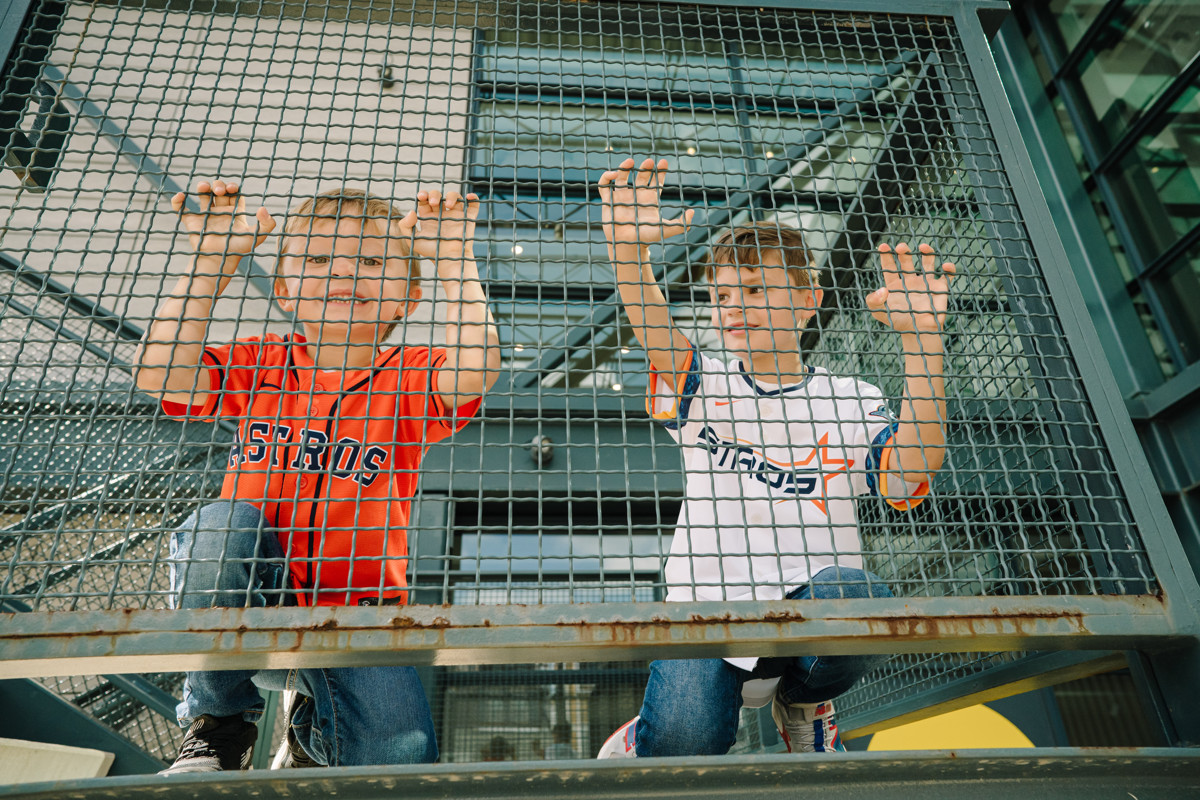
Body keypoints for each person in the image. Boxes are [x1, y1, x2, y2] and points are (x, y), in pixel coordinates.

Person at [134, 179, 499, 772]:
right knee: (221, 526)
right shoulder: (263, 361)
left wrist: (455, 261)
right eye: (318, 259)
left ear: (408, 297)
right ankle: (220, 724)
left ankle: (311, 734)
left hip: (358, 609)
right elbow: (160, 376)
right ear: (283, 290)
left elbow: (475, 368)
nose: (345, 273)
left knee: (402, 764)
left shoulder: (410, 374)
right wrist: (210, 265)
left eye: (373, 261)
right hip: (252, 595)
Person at [596, 158, 955, 756]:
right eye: (721, 295)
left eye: (757, 290)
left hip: (805, 614)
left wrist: (922, 343)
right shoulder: (702, 380)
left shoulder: (850, 398)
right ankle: (646, 734)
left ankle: (808, 703)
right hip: (708, 609)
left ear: (809, 298)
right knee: (683, 747)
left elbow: (912, 470)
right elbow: (652, 327)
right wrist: (629, 256)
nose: (733, 307)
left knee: (856, 594)